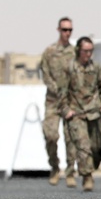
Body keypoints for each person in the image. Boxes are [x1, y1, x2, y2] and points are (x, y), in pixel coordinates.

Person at [60, 37, 101, 192]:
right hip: (76, 115)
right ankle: (87, 177)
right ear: (78, 51)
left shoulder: (97, 68)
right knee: (83, 147)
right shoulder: (68, 69)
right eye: (85, 51)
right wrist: (66, 110)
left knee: (97, 148)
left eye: (91, 51)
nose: (88, 54)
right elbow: (60, 93)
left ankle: (91, 166)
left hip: (94, 114)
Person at [39, 16, 77, 187]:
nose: (67, 33)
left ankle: (70, 172)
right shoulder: (49, 51)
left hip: (69, 101)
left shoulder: (76, 52)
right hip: (53, 101)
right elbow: (45, 74)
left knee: (71, 138)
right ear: (58, 30)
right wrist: (56, 89)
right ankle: (54, 167)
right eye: (64, 30)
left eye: (70, 30)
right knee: (50, 135)